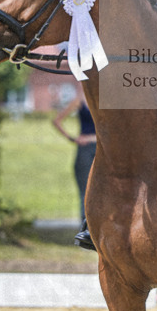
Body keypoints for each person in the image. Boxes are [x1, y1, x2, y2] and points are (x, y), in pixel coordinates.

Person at [52, 91, 97, 251]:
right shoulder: (79, 100)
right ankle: (85, 233)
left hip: (103, 149)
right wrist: (72, 138)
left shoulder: (109, 97)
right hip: (85, 150)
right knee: (85, 192)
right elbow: (57, 121)